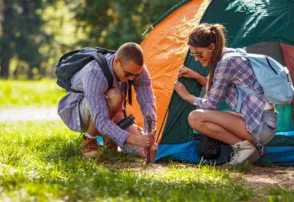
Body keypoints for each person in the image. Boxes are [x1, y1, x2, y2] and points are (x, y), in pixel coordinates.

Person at [174, 23, 278, 165]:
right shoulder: (229, 54)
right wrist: (198, 77)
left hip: (261, 126)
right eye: (194, 55)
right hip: (263, 122)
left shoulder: (225, 63)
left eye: (199, 54)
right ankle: (250, 147)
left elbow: (211, 103)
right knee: (210, 115)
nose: (197, 59)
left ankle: (244, 148)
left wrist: (188, 97)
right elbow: (219, 87)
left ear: (211, 47)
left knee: (195, 117)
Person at [58, 42, 157, 159]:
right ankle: (89, 141)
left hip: (112, 113)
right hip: (79, 110)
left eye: (136, 75)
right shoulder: (94, 73)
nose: (132, 78)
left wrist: (149, 133)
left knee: (147, 153)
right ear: (116, 62)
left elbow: (148, 103)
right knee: (115, 96)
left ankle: (109, 139)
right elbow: (100, 120)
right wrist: (136, 139)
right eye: (128, 74)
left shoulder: (136, 70)